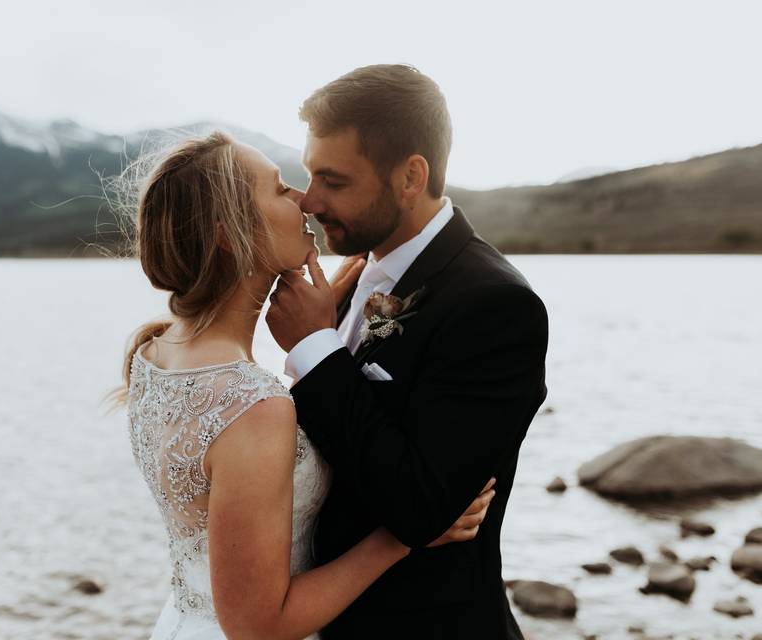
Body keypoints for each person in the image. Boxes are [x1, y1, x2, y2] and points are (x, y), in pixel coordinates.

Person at [111, 130, 496, 639]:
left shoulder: (155, 352)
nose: (304, 199)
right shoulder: (253, 408)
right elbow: (259, 626)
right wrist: (405, 536)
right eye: (278, 189)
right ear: (231, 235)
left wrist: (324, 333)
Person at [266, 64, 549, 638]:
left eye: (335, 182)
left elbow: (424, 507)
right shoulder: (354, 278)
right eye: (308, 177)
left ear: (411, 176)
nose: (310, 201)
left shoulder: (495, 304)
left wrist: (315, 348)